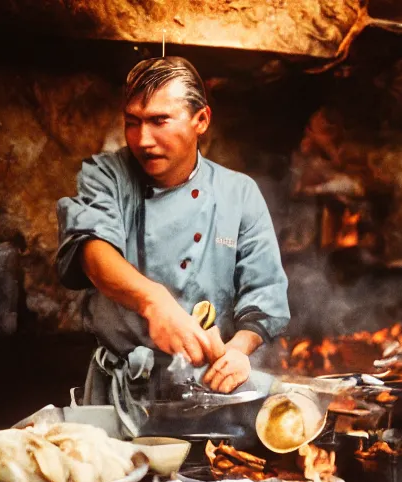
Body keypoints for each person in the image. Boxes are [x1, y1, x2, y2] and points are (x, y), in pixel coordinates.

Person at [55, 57, 290, 432]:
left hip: (209, 399)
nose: (142, 139)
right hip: (120, 400)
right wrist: (155, 302)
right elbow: (91, 251)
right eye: (132, 121)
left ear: (201, 120)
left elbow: (264, 296)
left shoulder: (239, 193)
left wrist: (238, 350)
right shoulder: (105, 175)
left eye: (159, 121)